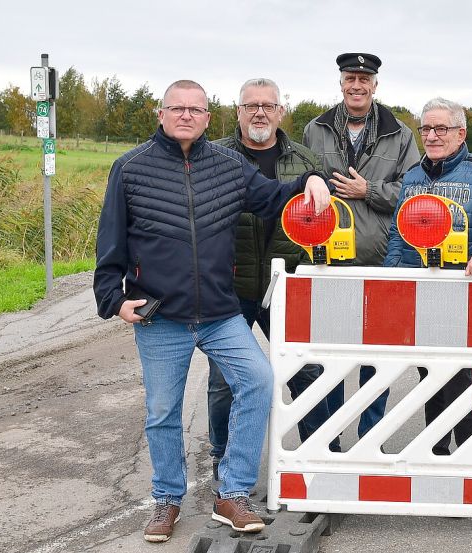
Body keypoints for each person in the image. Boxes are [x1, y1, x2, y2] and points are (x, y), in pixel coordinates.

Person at [93, 79, 331, 543]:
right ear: (160, 115)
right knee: (163, 410)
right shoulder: (131, 168)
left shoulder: (229, 166)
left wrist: (311, 180)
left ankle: (233, 492)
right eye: (176, 108)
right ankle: (166, 500)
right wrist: (113, 299)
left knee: (258, 382)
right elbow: (112, 240)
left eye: (195, 110)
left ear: (207, 117)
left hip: (221, 311)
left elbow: (271, 197)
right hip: (160, 315)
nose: (186, 116)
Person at [206, 78, 330, 476]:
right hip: (231, 286)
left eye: (267, 105)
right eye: (250, 105)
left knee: (306, 370)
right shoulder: (214, 157)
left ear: (281, 112)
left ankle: (318, 451)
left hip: (286, 286)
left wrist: (320, 181)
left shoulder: (307, 163)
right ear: (237, 112)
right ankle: (221, 458)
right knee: (225, 379)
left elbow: (324, 224)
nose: (259, 112)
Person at [384, 97, 472, 455]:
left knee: (461, 376)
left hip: (465, 295)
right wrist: (389, 280)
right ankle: (439, 452)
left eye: (440, 128)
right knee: (429, 375)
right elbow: (399, 234)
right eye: (426, 128)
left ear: (461, 133)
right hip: (421, 293)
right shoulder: (413, 175)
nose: (431, 136)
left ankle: (465, 456)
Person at [303, 53, 420, 444]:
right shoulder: (314, 130)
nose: (357, 85)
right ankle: (331, 438)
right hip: (327, 260)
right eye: (350, 78)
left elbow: (414, 192)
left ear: (375, 85)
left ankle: (371, 435)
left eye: (364, 79)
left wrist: (367, 190)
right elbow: (301, 180)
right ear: (340, 83)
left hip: (381, 258)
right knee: (331, 355)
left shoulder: (400, 134)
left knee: (376, 354)